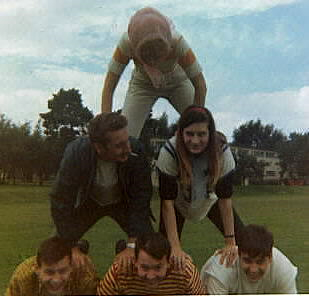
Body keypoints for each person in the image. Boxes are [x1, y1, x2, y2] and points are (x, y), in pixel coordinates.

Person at [50, 112, 154, 267]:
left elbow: (142, 196)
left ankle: (123, 252)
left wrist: (132, 245)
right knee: (56, 250)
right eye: (119, 145)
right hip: (89, 204)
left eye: (127, 141)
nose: (127, 148)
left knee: (150, 248)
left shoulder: (136, 150)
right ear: (99, 147)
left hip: (123, 204)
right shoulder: (76, 153)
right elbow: (61, 200)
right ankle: (80, 247)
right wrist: (70, 245)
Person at [156, 104, 244, 269]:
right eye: (189, 134)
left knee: (245, 242)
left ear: (210, 133)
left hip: (211, 200)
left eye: (202, 134)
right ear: (180, 132)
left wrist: (230, 241)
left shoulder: (222, 151)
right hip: (178, 203)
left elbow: (225, 199)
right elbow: (167, 202)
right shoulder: (169, 152)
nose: (195, 141)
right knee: (162, 252)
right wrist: (174, 247)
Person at [101, 7, 207, 138]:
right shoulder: (126, 44)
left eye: (159, 55)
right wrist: (104, 126)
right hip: (143, 85)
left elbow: (200, 84)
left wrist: (197, 122)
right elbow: (109, 88)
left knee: (204, 130)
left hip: (178, 83)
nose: (153, 62)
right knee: (124, 137)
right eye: (147, 56)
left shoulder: (177, 42)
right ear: (135, 45)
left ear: (168, 43)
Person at [97, 232, 207, 295]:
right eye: (144, 267)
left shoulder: (185, 272)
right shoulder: (120, 271)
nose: (150, 276)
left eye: (158, 267)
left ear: (169, 262)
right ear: (135, 261)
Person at [200, 224, 298, 294]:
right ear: (238, 254)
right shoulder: (221, 269)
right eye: (247, 261)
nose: (253, 269)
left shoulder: (283, 268)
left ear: (270, 258)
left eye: (260, 262)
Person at [5, 236, 98, 296]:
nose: (56, 279)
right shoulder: (23, 276)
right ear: (37, 269)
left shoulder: (84, 275)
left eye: (63, 271)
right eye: (49, 272)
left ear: (71, 267)